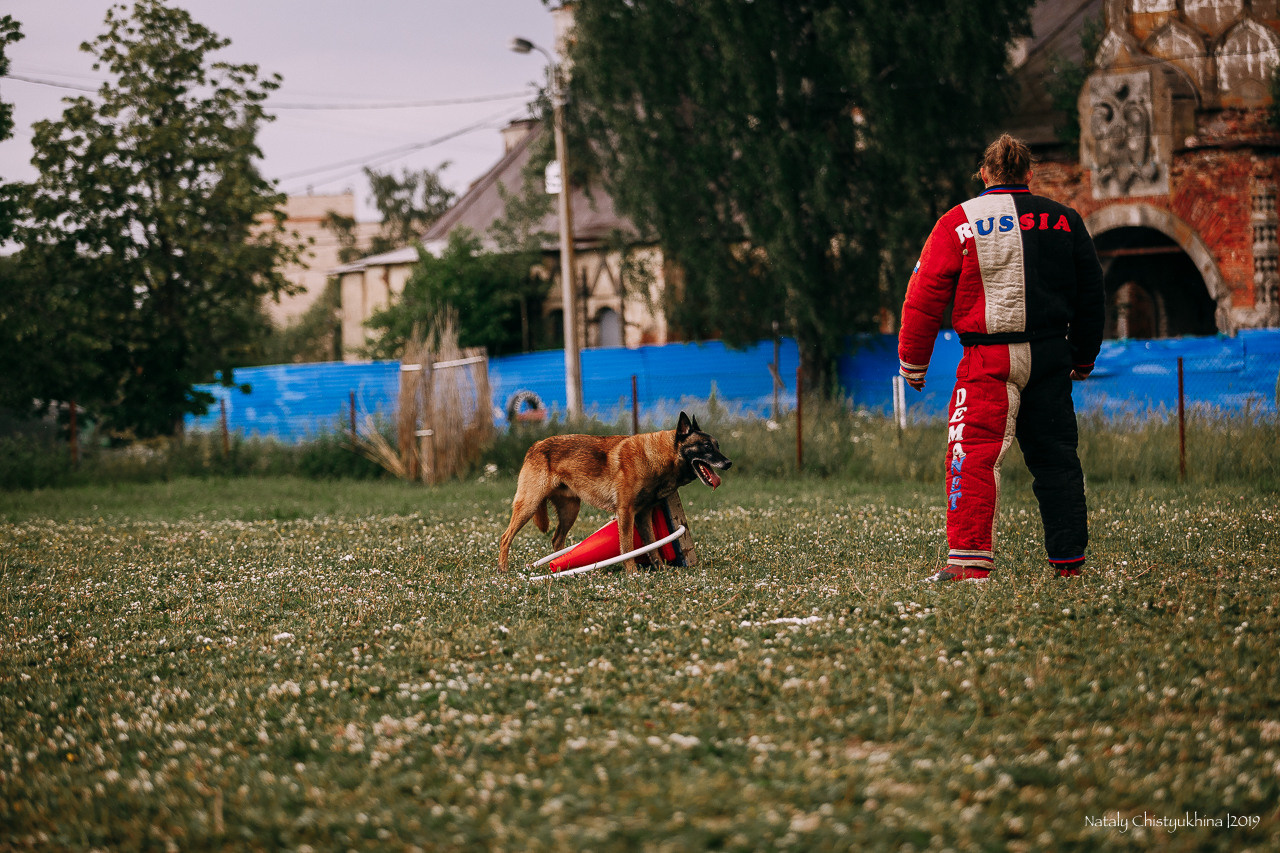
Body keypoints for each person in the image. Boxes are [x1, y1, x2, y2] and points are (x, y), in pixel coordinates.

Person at [898, 134, 1105, 582]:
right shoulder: (1066, 221)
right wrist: (1083, 357)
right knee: (1057, 460)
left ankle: (969, 562)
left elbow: (925, 294)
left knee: (971, 456)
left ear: (985, 174)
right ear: (1029, 175)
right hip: (1050, 355)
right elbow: (1092, 296)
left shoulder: (958, 222)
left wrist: (914, 363)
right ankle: (1069, 562)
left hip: (987, 359)